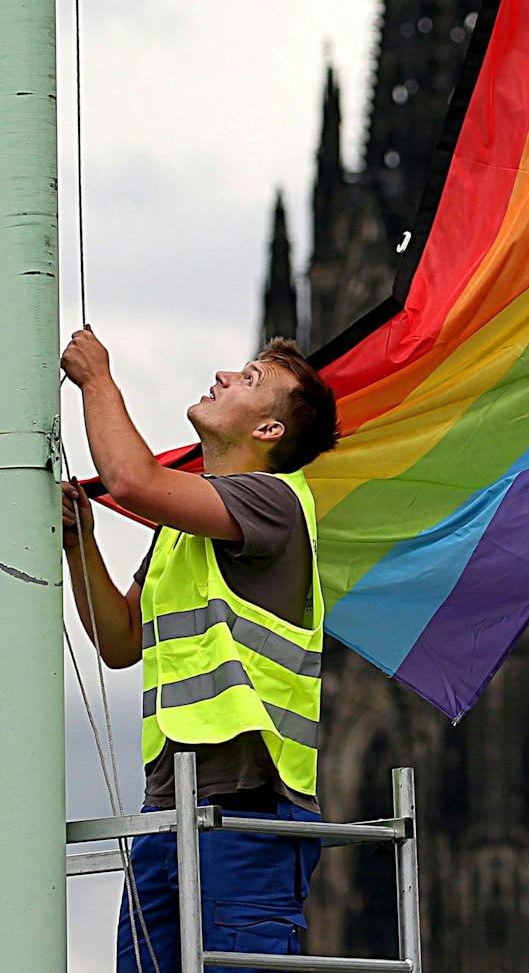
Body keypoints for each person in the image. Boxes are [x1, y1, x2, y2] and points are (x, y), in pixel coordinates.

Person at [60, 327, 341, 972]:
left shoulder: (275, 502)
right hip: (167, 811)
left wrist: (98, 380)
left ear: (269, 431)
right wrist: (82, 546)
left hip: (249, 815)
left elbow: (131, 479)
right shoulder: (181, 529)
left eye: (250, 379)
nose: (225, 376)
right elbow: (120, 641)